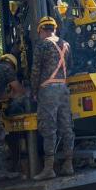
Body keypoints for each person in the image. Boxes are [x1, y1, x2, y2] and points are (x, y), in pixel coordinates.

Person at [31, 16, 75, 180]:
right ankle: (68, 164)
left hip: (47, 90)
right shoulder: (66, 45)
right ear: (54, 29)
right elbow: (69, 67)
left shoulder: (41, 45)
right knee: (66, 126)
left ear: (41, 30)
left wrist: (34, 91)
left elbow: (35, 71)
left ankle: (49, 168)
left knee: (49, 128)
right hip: (63, 89)